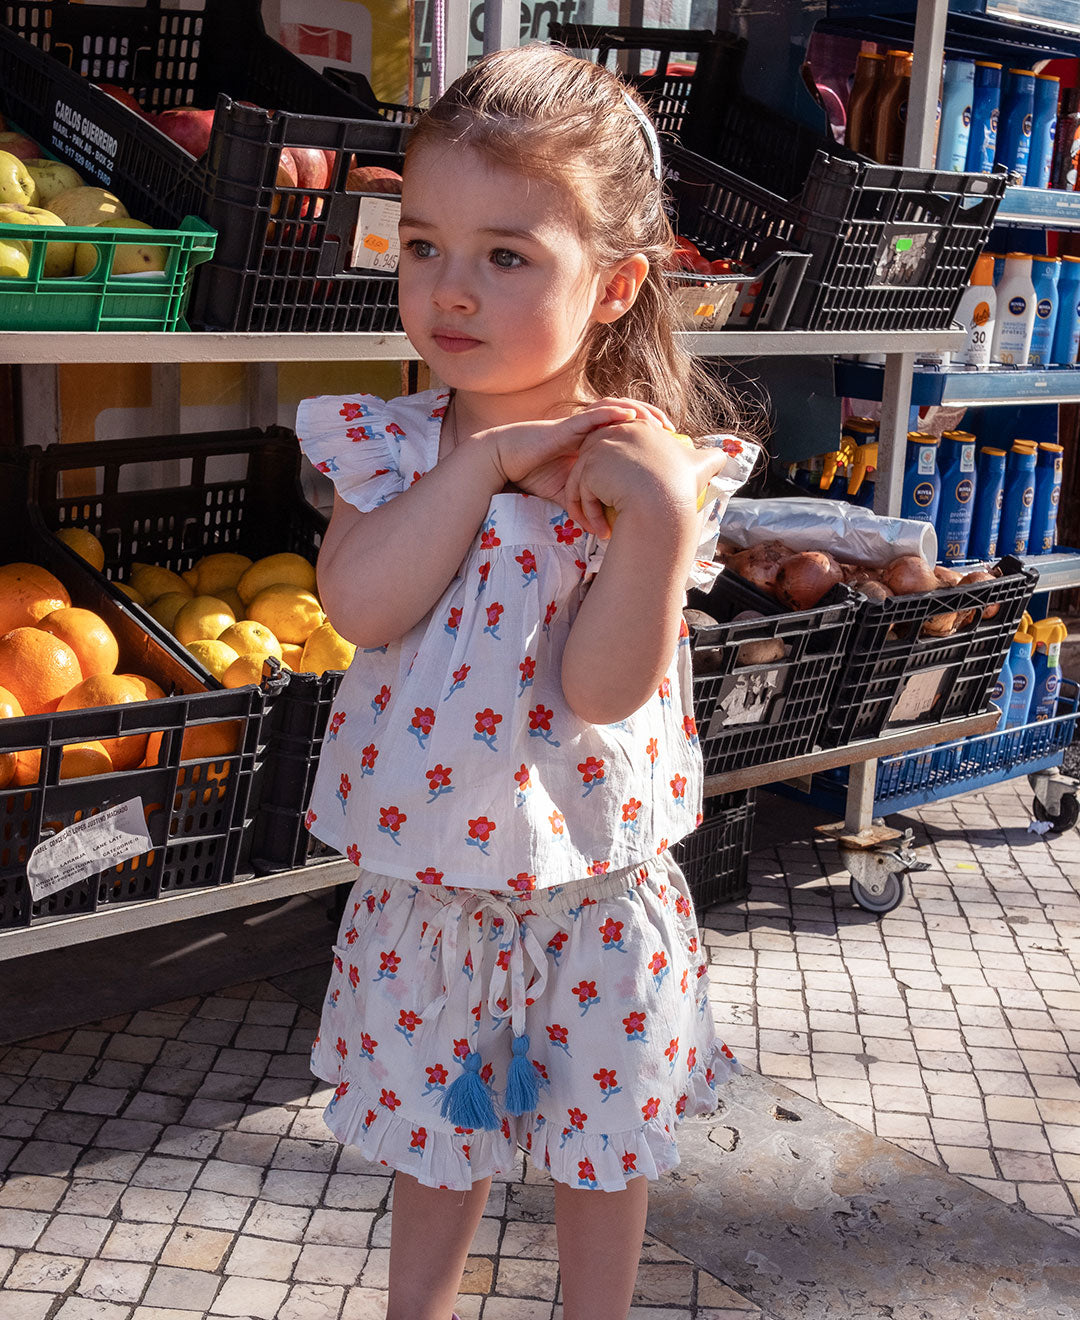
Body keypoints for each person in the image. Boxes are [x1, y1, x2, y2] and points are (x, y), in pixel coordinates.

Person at [296, 41, 762, 1320]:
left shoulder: (645, 473)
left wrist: (661, 525)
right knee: (431, 1151)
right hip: (429, 894)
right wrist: (487, 460)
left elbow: (605, 692)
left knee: (600, 1149)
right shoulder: (384, 444)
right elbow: (362, 601)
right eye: (425, 245)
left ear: (613, 288)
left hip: (597, 890)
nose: (452, 290)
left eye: (507, 257)